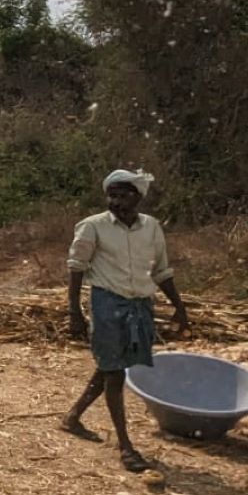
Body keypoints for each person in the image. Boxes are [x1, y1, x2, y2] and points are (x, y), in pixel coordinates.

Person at [62, 169, 190, 472]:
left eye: (123, 195)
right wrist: (74, 311)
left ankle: (72, 417)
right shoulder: (93, 227)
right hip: (107, 302)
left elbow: (161, 271)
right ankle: (125, 446)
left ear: (138, 198)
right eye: (112, 195)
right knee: (115, 373)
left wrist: (180, 307)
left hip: (140, 306)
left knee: (111, 366)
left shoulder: (152, 228)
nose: (115, 201)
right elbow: (76, 268)